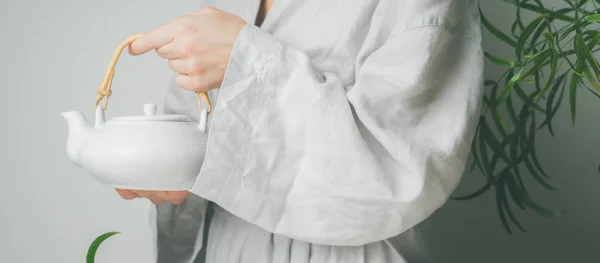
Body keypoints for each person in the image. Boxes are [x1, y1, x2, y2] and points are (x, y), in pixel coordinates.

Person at [115, 0, 484, 262]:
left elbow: (401, 170)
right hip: (222, 247)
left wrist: (247, 59)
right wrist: (176, 166)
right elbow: (205, 135)